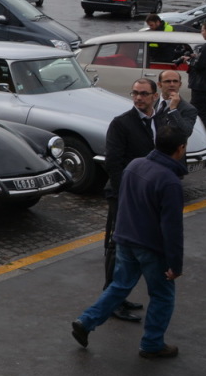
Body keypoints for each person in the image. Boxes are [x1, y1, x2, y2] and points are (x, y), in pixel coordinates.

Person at [70, 125, 187, 359]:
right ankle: (152, 343)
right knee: (162, 295)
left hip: (126, 238)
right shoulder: (170, 182)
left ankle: (86, 321)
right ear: (180, 148)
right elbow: (172, 228)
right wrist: (176, 264)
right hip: (152, 247)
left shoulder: (134, 165)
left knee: (120, 285)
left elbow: (124, 202)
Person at [102, 77, 162, 322]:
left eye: (144, 94)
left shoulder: (158, 121)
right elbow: (113, 164)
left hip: (145, 196)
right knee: (116, 247)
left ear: (154, 96)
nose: (138, 98)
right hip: (123, 195)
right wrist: (127, 194)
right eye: (135, 93)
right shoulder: (121, 124)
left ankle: (120, 294)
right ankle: (111, 299)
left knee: (130, 248)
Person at [155, 70, 197, 137]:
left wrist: (173, 110)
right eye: (167, 81)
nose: (172, 84)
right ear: (159, 84)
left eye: (175, 81)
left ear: (180, 84)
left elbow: (185, 132)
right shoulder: (152, 102)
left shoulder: (188, 109)